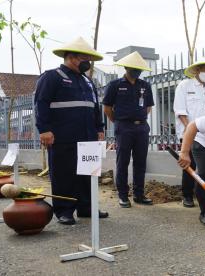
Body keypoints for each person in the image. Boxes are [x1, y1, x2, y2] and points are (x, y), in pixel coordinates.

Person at [34, 37, 108, 225]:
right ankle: (64, 210)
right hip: (63, 137)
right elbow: (41, 103)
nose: (88, 63)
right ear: (72, 57)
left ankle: (86, 208)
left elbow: (94, 107)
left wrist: (99, 128)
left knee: (88, 173)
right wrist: (44, 130)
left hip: (88, 136)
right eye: (85, 58)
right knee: (64, 174)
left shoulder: (87, 82)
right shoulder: (53, 76)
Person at [103, 51, 155, 208]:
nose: (136, 71)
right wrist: (119, 121)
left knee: (140, 162)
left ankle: (139, 194)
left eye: (139, 68)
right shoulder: (115, 85)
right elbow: (107, 108)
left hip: (142, 128)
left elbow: (148, 107)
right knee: (123, 162)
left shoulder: (145, 86)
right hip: (124, 127)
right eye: (133, 67)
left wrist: (138, 119)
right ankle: (123, 195)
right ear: (126, 67)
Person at [173, 59, 205, 208]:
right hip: (188, 131)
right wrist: (191, 128)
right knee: (189, 162)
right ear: (197, 70)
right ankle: (187, 195)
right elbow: (180, 111)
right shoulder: (184, 86)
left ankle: (203, 194)